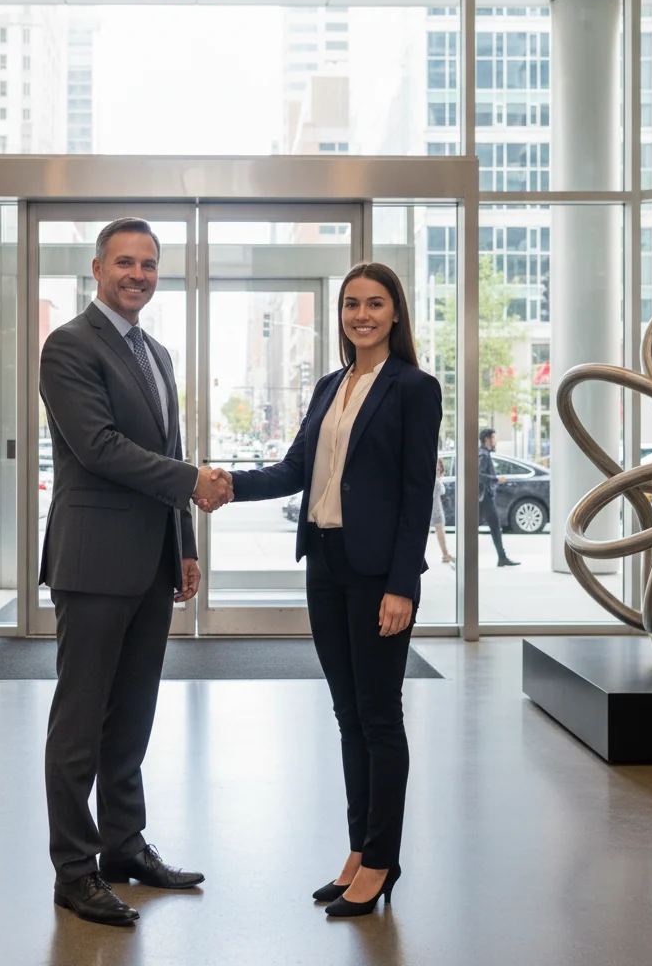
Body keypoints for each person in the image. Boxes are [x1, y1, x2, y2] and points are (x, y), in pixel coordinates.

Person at [202, 262, 441, 918]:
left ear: (395, 313)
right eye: (351, 304)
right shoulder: (331, 387)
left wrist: (402, 585)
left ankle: (383, 859)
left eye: (374, 303)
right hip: (326, 566)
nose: (361, 314)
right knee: (348, 715)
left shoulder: (414, 389)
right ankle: (360, 851)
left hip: (376, 576)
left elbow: (419, 493)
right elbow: (295, 470)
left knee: (379, 716)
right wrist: (228, 485)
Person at [39, 217, 232, 927]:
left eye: (149, 264)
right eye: (125, 262)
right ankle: (74, 870)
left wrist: (183, 544)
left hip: (150, 564)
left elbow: (168, 449)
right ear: (97, 269)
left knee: (133, 721)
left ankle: (123, 845)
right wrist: (192, 481)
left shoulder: (157, 353)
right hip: (92, 563)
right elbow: (98, 446)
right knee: (79, 726)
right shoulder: (68, 346)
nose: (138, 275)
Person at [478, 428, 518, 567]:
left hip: (483, 497)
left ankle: (502, 557)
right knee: (495, 526)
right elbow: (479, 476)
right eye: (494, 438)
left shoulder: (484, 453)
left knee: (490, 526)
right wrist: (496, 479)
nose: (496, 441)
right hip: (484, 498)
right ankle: (502, 557)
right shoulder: (483, 455)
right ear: (487, 440)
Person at [431, 457, 454, 564]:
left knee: (439, 528)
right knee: (439, 527)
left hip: (434, 502)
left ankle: (445, 554)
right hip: (434, 503)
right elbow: (439, 488)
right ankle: (445, 554)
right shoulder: (433, 459)